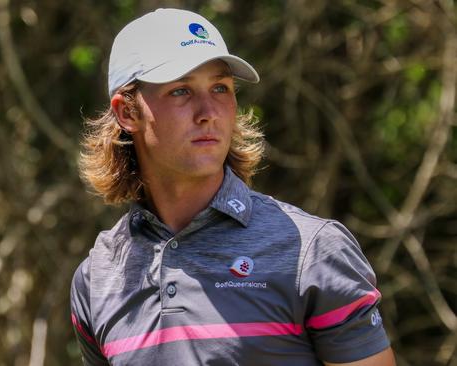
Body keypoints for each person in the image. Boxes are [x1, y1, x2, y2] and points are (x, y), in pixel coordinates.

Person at [71, 8, 395, 366]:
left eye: (220, 88)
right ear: (127, 113)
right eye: (181, 90)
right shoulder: (97, 277)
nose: (209, 111)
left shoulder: (313, 250)